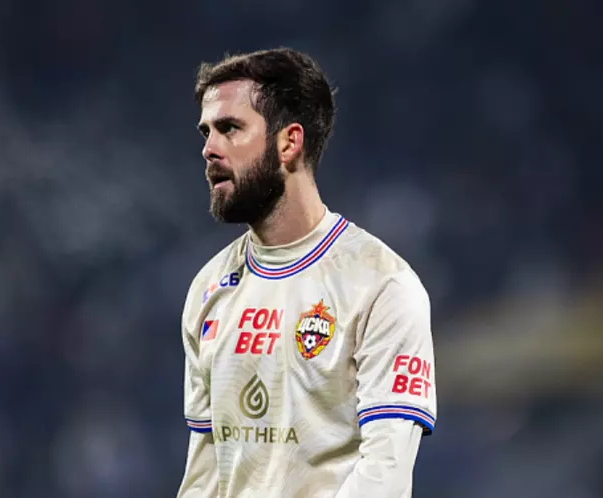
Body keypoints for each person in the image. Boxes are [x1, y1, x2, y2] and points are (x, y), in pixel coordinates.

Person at [177, 47, 437, 498]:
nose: (209, 149)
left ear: (289, 143)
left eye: (230, 128)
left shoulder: (382, 285)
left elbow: (385, 475)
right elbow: (206, 474)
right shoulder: (209, 288)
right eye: (206, 132)